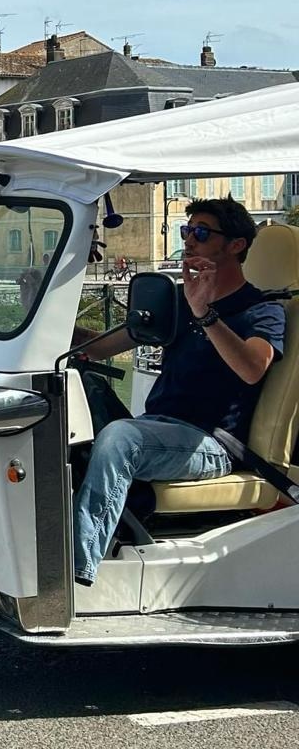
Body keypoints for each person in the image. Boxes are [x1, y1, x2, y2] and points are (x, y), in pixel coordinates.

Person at [71, 197, 286, 587]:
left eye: (201, 233)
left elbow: (253, 368)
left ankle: (75, 571)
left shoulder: (261, 310)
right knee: (76, 389)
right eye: (187, 231)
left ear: (236, 245)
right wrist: (45, 310)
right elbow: (99, 347)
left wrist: (205, 314)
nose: (188, 240)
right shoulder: (180, 303)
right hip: (157, 428)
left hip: (210, 443)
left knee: (121, 438)